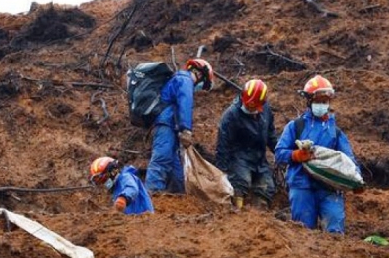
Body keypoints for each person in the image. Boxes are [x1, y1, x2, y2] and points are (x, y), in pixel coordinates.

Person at [274, 74, 359, 233]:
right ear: (309, 101)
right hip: (301, 185)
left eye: (324, 101)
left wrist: (356, 180)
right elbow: (279, 152)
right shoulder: (295, 127)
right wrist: (296, 155)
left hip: (328, 187)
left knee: (334, 227)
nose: (321, 105)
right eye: (318, 101)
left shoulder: (335, 132)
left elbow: (348, 159)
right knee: (304, 232)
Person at [144, 58, 214, 193]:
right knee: (161, 160)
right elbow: (184, 104)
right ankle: (151, 199)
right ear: (200, 75)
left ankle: (178, 199)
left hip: (172, 127)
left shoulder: (179, 79)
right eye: (203, 84)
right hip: (166, 125)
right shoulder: (185, 80)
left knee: (177, 166)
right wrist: (186, 129)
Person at [214, 78, 278, 209]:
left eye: (254, 106)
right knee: (241, 182)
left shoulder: (265, 110)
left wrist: (281, 152)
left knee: (267, 187)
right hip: (239, 157)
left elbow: (271, 135)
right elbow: (223, 147)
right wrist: (221, 173)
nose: (250, 107)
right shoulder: (231, 115)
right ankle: (236, 212)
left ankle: (259, 214)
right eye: (248, 104)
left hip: (259, 159)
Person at [89, 156, 154, 214]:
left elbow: (132, 188)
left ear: (112, 171)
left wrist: (123, 198)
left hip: (144, 216)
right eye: (101, 182)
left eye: (103, 179)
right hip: (133, 221)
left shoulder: (125, 176)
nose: (104, 183)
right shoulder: (116, 188)